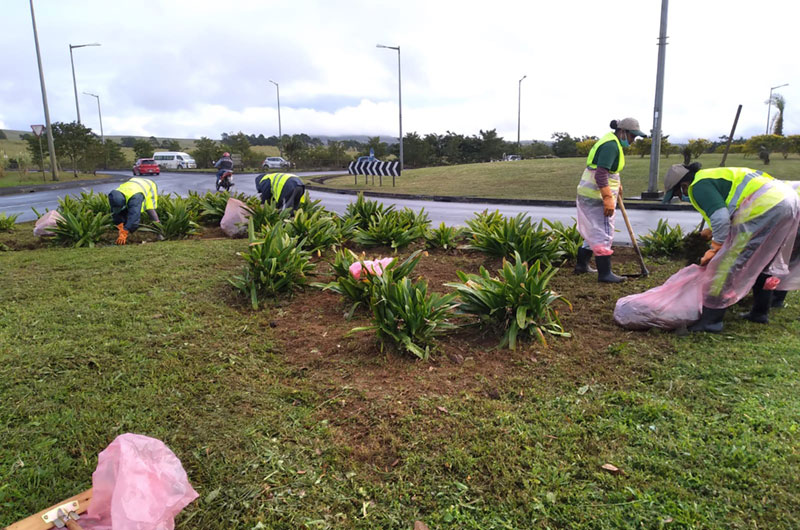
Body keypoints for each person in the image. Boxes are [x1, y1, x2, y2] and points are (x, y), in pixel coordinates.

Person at [663, 164, 800, 332]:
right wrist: (711, 231)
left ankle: (711, 322)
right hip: (788, 201)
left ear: (684, 185)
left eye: (677, 194)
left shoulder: (698, 185)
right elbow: (730, 208)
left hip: (763, 206)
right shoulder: (713, 176)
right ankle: (759, 313)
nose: (680, 197)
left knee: (727, 263)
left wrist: (716, 249)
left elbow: (720, 218)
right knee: (763, 257)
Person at [575, 118, 646, 282]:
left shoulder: (611, 142)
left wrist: (617, 185)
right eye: (632, 136)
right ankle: (605, 274)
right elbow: (601, 174)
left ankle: (581, 265)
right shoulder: (611, 146)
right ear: (622, 132)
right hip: (597, 196)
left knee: (593, 231)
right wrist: (607, 197)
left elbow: (609, 171)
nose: (633, 140)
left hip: (589, 193)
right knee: (604, 232)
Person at [108, 177, 160, 245]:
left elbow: (134, 216)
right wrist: (120, 225)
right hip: (133, 185)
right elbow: (115, 213)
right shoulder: (115, 195)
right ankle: (129, 231)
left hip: (148, 185)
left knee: (149, 208)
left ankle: (159, 232)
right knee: (126, 210)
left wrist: (125, 231)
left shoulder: (135, 198)